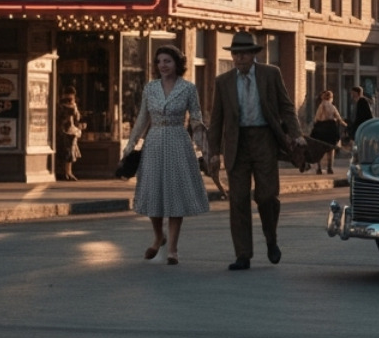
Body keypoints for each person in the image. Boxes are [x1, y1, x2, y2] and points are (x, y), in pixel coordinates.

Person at [207, 32, 300, 270]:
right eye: (235, 54)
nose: (239, 58)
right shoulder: (223, 81)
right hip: (236, 144)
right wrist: (214, 152)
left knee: (267, 196)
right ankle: (243, 254)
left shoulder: (271, 74)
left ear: (253, 54)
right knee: (237, 200)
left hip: (264, 140)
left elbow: (286, 107)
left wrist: (297, 135)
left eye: (243, 54)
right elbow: (216, 119)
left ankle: (271, 239)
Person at [123, 46, 209, 266]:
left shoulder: (188, 88)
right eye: (159, 61)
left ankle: (172, 248)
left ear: (177, 64)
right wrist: (130, 144)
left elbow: (196, 117)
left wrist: (203, 145)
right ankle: (158, 236)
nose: (163, 65)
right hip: (154, 143)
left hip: (178, 142)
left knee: (175, 195)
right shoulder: (149, 88)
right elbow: (143, 118)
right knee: (153, 192)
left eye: (168, 61)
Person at [310, 89, 343, 175]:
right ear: (331, 98)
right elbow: (338, 117)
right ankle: (329, 168)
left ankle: (319, 168)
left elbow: (317, 117)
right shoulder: (333, 106)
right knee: (331, 148)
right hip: (331, 128)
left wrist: (315, 123)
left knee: (318, 148)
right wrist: (343, 123)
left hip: (321, 128)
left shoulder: (322, 105)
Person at [56, 86, 84, 181]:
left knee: (69, 152)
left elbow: (77, 117)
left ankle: (67, 172)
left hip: (65, 130)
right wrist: (73, 106)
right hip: (67, 130)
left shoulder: (60, 104)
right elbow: (77, 117)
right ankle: (67, 172)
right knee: (68, 152)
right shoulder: (64, 105)